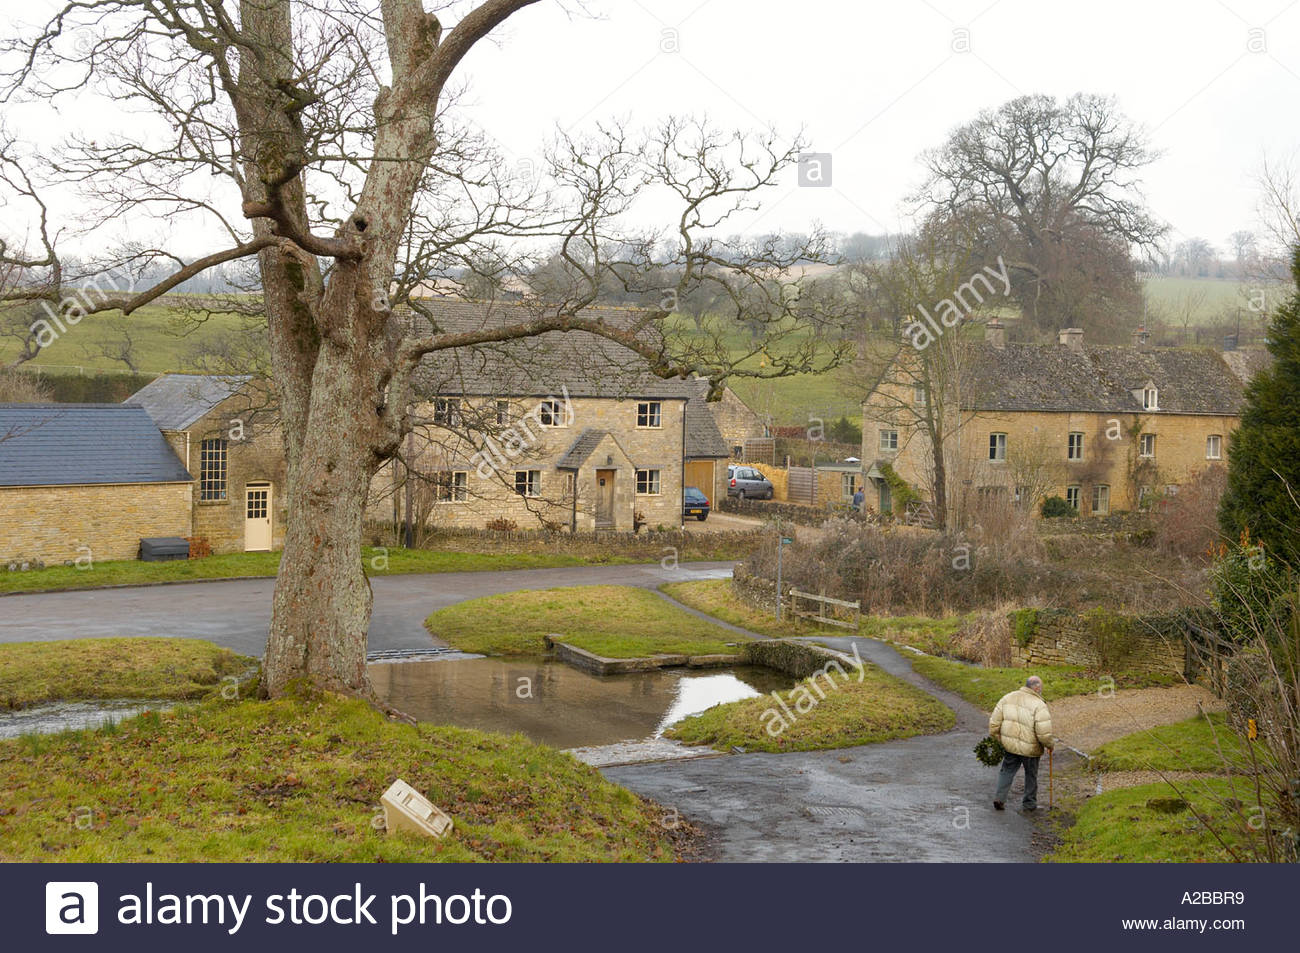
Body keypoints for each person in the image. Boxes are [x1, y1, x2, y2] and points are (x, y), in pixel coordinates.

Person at [989, 675, 1054, 812]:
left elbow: (994, 722)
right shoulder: (1039, 705)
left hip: (1010, 745)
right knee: (1031, 775)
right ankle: (1029, 804)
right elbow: (1043, 732)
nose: (1041, 690)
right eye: (1040, 687)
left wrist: (996, 737)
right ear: (1036, 688)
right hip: (1030, 748)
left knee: (1006, 771)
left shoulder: (1008, 698)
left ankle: (1000, 798)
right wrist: (1049, 744)